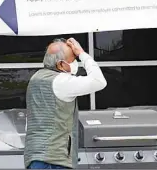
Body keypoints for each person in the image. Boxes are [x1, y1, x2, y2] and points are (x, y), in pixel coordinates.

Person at [24, 38, 107, 169]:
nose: (75, 62)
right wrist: (82, 54)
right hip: (56, 160)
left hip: (34, 156)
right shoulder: (61, 81)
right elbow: (99, 81)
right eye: (73, 59)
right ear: (61, 65)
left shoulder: (35, 79)